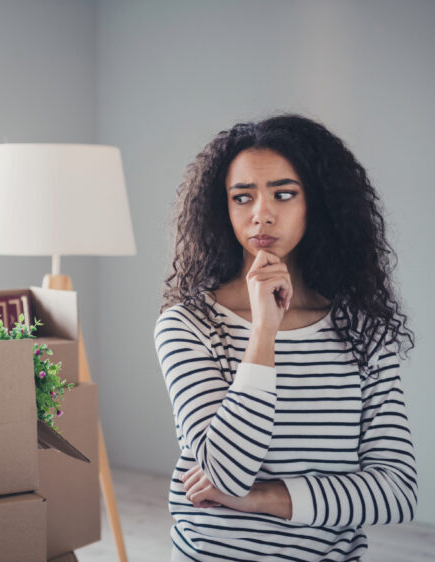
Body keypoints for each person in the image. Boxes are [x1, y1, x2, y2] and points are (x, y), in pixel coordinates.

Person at [153, 114, 417, 561]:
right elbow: (225, 474)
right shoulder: (188, 325)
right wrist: (263, 331)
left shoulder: (362, 330)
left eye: (283, 193)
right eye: (243, 197)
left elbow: (397, 492)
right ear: (224, 210)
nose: (262, 214)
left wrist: (261, 498)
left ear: (318, 203)